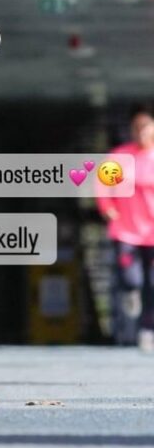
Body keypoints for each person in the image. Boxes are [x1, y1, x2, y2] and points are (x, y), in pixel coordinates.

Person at [95, 109, 154, 350]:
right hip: (126, 229)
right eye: (137, 127)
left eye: (146, 126)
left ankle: (147, 330)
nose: (141, 131)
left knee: (153, 285)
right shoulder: (119, 158)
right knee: (133, 279)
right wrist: (107, 207)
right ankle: (131, 293)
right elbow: (102, 186)